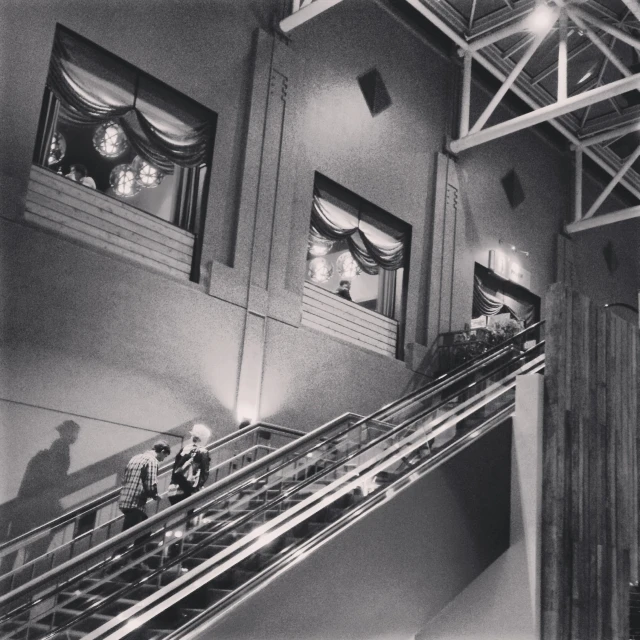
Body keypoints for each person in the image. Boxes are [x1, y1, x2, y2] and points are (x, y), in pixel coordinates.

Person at [118, 440, 171, 532]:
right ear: (162, 451)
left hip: (125, 498)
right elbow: (150, 482)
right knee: (128, 536)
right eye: (164, 456)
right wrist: (154, 495)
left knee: (143, 530)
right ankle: (120, 546)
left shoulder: (135, 458)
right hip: (136, 502)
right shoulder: (152, 461)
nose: (163, 459)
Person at [167, 424, 212, 506]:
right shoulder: (203, 451)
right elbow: (204, 473)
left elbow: (175, 469)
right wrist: (198, 487)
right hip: (187, 490)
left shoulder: (184, 449)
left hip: (173, 490)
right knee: (188, 515)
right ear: (203, 439)